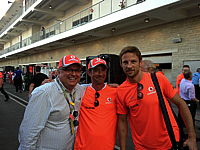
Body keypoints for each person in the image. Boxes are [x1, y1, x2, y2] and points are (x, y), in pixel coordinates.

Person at [117, 46, 197, 150]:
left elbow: (181, 104)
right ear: (121, 64)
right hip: (142, 147)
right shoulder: (121, 90)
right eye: (125, 62)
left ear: (140, 62)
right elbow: (122, 121)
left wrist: (192, 137)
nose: (129, 66)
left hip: (169, 143)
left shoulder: (158, 79)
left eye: (133, 61)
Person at [18, 55, 87, 150]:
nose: (73, 74)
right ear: (58, 72)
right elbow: (29, 131)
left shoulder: (79, 89)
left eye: (77, 70)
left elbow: (95, 86)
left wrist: (112, 86)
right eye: (68, 69)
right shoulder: (44, 93)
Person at [74, 58, 118, 149]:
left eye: (103, 70)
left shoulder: (116, 92)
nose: (100, 74)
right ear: (89, 73)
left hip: (107, 147)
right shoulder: (81, 91)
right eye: (96, 70)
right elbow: (63, 86)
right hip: (82, 147)